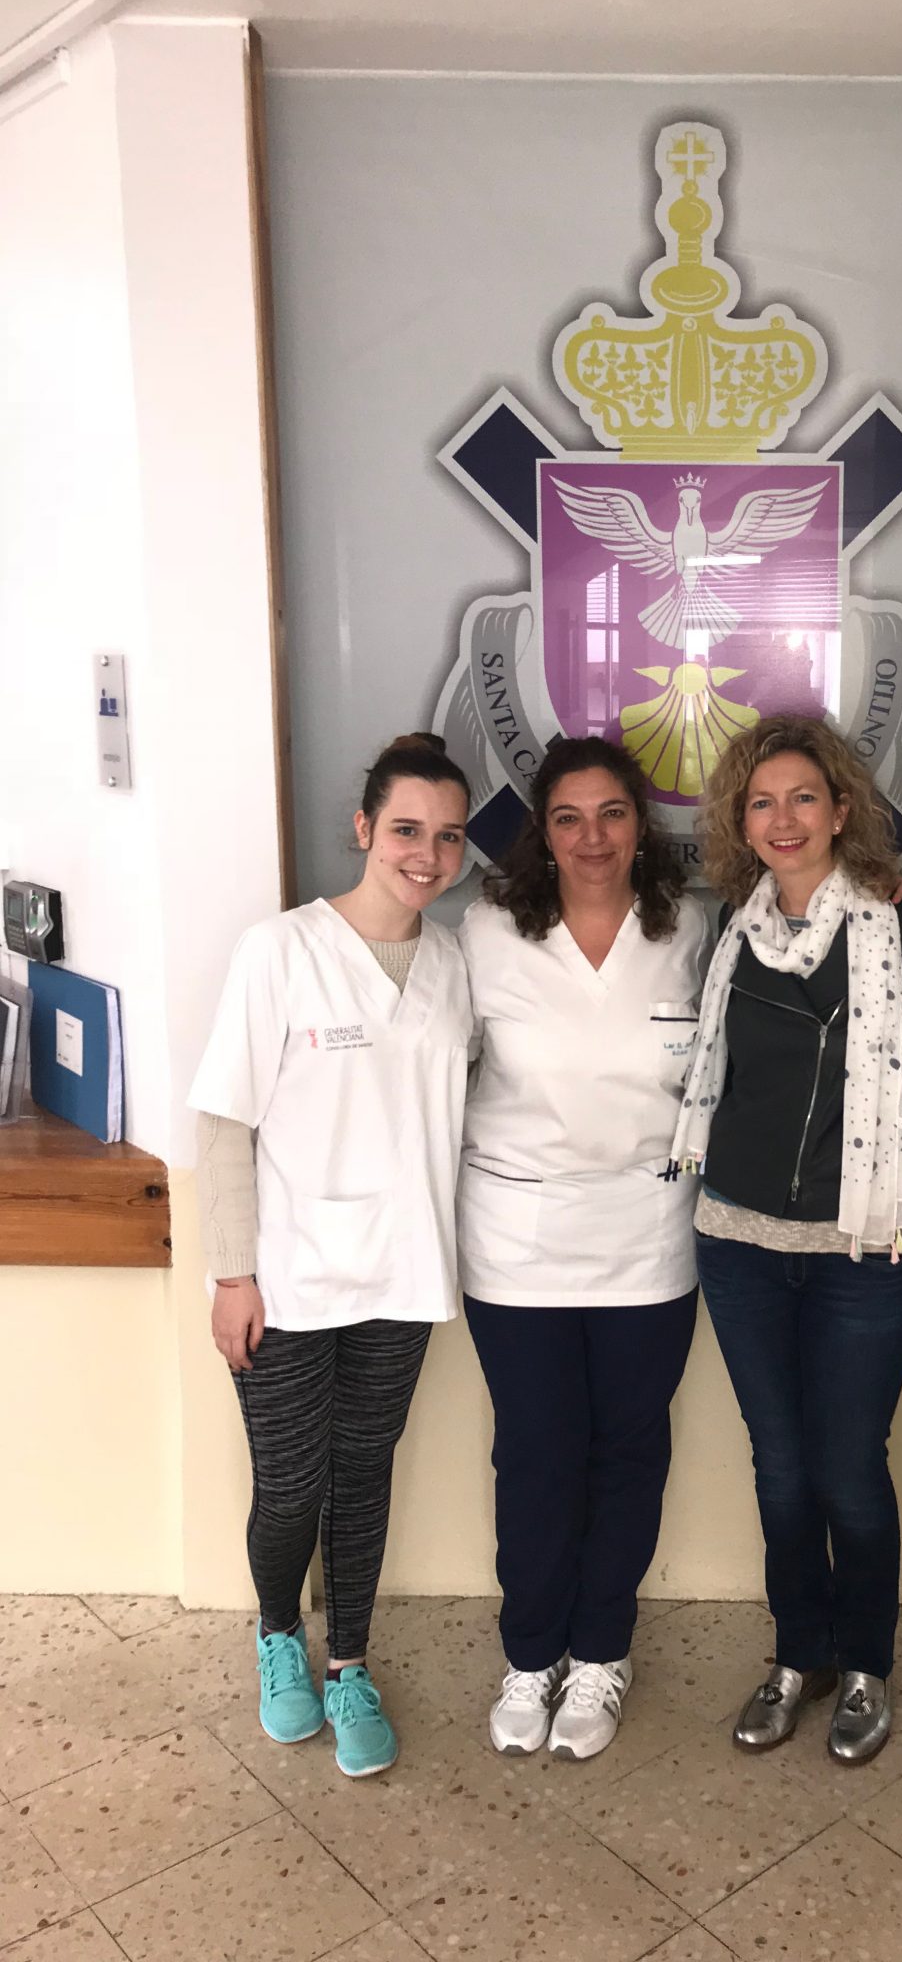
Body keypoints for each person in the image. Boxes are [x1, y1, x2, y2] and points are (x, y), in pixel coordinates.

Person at [190, 732, 474, 1778]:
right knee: (290, 1482)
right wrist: (232, 1274)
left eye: (448, 836)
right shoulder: (281, 949)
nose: (426, 855)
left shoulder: (453, 965)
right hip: (289, 1275)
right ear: (363, 829)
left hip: (404, 1272)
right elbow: (224, 1120)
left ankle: (349, 1660)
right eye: (406, 829)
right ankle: (279, 1635)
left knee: (363, 1473)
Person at [673, 714, 902, 1765]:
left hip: (865, 1253)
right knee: (780, 1467)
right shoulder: (727, 933)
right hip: (740, 1241)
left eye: (802, 797)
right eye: (761, 802)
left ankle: (865, 1661)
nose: (782, 819)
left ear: (841, 810)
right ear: (740, 822)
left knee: (848, 1467)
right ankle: (800, 1655)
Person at [458, 736, 710, 1763]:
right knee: (536, 1453)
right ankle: (531, 1654)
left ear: (641, 825)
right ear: (543, 832)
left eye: (612, 813)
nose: (592, 837)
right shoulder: (485, 932)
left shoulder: (688, 929)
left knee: (629, 1452)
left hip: (649, 1239)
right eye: (568, 817)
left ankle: (602, 1650)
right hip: (517, 1242)